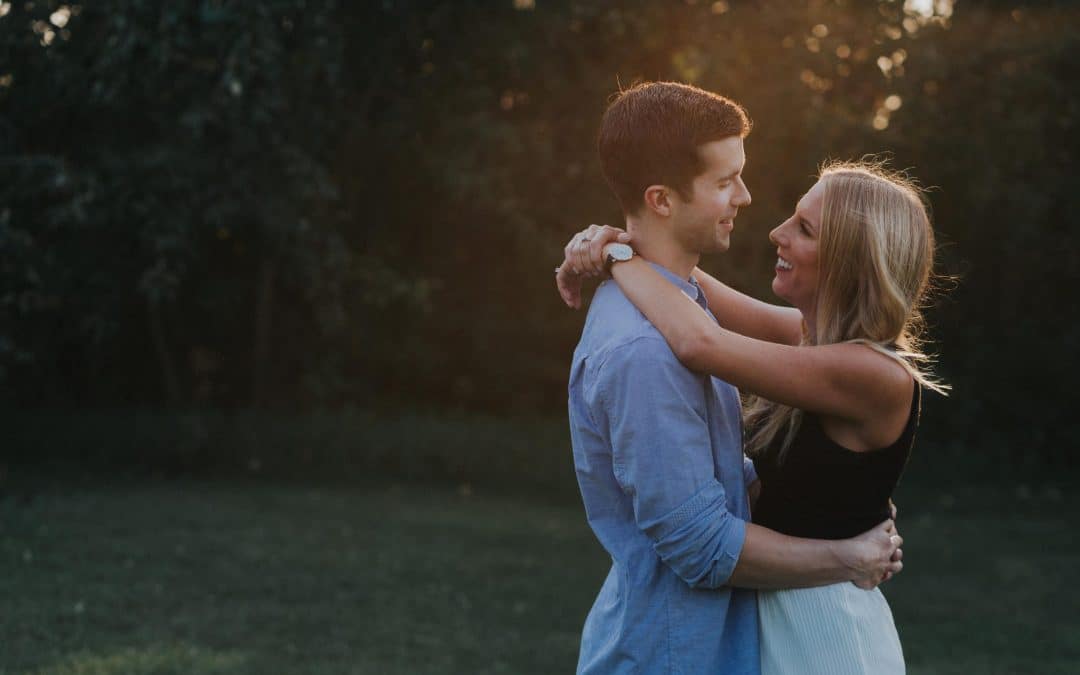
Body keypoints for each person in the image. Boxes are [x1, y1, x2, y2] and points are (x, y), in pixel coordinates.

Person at [561, 81, 904, 675]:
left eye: (803, 227)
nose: (750, 204)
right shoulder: (648, 347)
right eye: (725, 181)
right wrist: (846, 555)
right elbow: (701, 545)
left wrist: (619, 251)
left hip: (782, 640)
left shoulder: (851, 364)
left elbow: (702, 335)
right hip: (676, 655)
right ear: (663, 200)